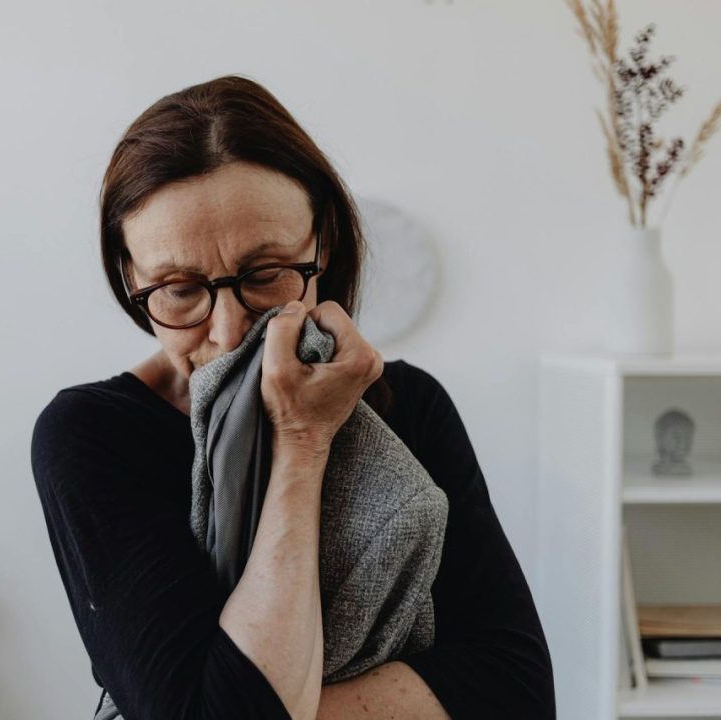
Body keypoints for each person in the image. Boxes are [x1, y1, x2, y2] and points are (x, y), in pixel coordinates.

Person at [31, 74, 556, 719]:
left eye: (265, 275)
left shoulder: (407, 404)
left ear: (322, 247)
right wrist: (302, 445)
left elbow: (518, 693)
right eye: (178, 289)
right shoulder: (92, 435)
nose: (227, 335)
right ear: (130, 277)